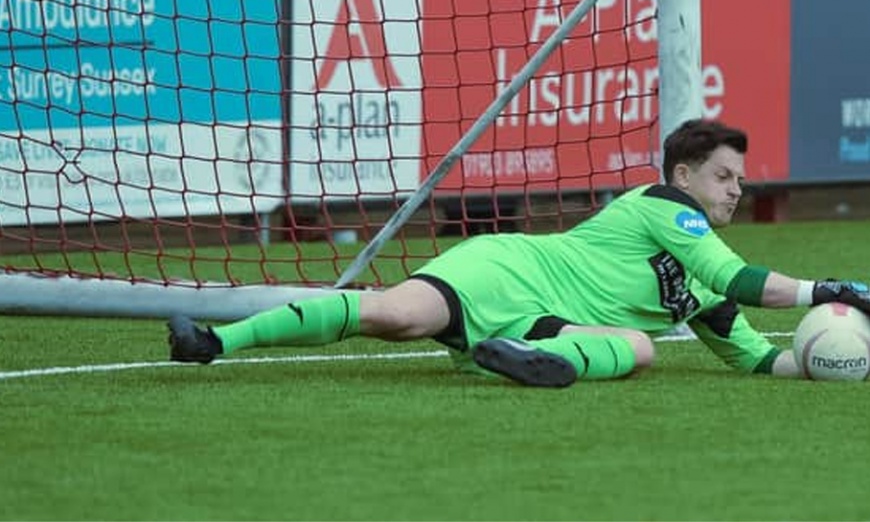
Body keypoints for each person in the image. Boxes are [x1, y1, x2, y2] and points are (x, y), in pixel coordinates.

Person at [167, 119, 870, 387]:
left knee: (645, 348)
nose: (735, 191)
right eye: (724, 176)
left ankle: (532, 363)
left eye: (740, 180)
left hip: (550, 325)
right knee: (389, 315)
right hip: (509, 269)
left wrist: (827, 357)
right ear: (683, 177)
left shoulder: (707, 287)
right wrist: (831, 289)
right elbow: (741, 279)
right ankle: (214, 342)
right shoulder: (664, 206)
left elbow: (756, 356)